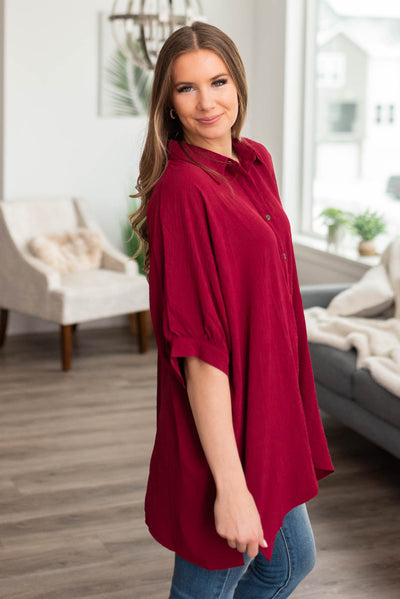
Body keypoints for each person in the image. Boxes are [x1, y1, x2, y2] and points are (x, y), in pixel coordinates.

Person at [130, 21, 334, 599]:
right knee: (209, 585)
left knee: (289, 563)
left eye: (217, 81)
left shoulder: (255, 162)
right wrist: (231, 486)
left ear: (238, 84)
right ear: (167, 104)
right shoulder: (182, 191)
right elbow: (199, 354)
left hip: (267, 412)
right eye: (186, 88)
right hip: (224, 428)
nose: (207, 101)